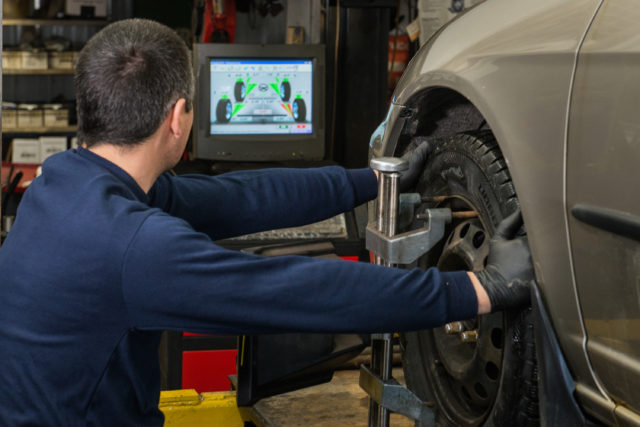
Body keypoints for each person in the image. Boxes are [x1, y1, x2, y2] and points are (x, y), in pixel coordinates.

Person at [0, 19, 534, 425]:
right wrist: (478, 289)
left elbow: (241, 197)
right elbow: (302, 291)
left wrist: (373, 181)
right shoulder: (129, 245)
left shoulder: (67, 182)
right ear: (178, 117)